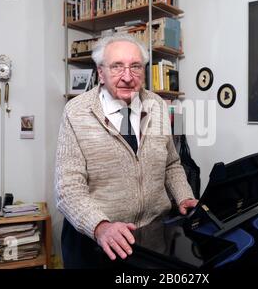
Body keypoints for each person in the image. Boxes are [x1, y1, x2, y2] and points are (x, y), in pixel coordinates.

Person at [55, 33, 198, 268]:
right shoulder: (76, 112)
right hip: (98, 243)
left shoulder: (159, 106)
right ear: (100, 72)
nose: (127, 77)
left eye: (135, 67)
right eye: (117, 67)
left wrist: (184, 196)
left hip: (152, 236)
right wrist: (100, 227)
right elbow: (68, 189)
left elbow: (171, 163)